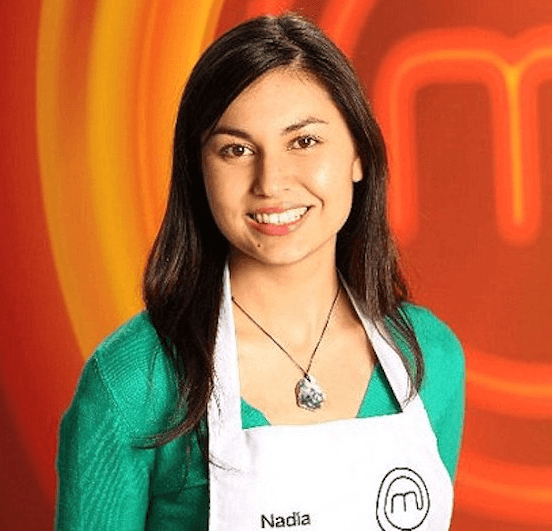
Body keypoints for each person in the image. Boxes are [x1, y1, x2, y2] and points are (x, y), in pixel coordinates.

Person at [56, 12, 464, 530]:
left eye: (304, 141)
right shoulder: (135, 383)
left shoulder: (430, 358)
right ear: (198, 170)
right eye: (236, 150)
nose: (270, 182)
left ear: (358, 154)